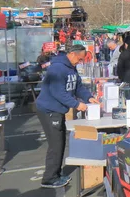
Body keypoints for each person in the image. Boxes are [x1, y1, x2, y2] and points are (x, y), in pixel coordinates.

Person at [36, 45, 98, 189]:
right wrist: (76, 104)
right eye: (79, 58)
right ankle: (49, 178)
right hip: (49, 110)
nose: (80, 62)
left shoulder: (71, 68)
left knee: (60, 142)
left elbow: (78, 87)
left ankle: (55, 174)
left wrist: (88, 98)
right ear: (71, 54)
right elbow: (58, 92)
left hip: (57, 110)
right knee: (56, 144)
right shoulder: (57, 69)